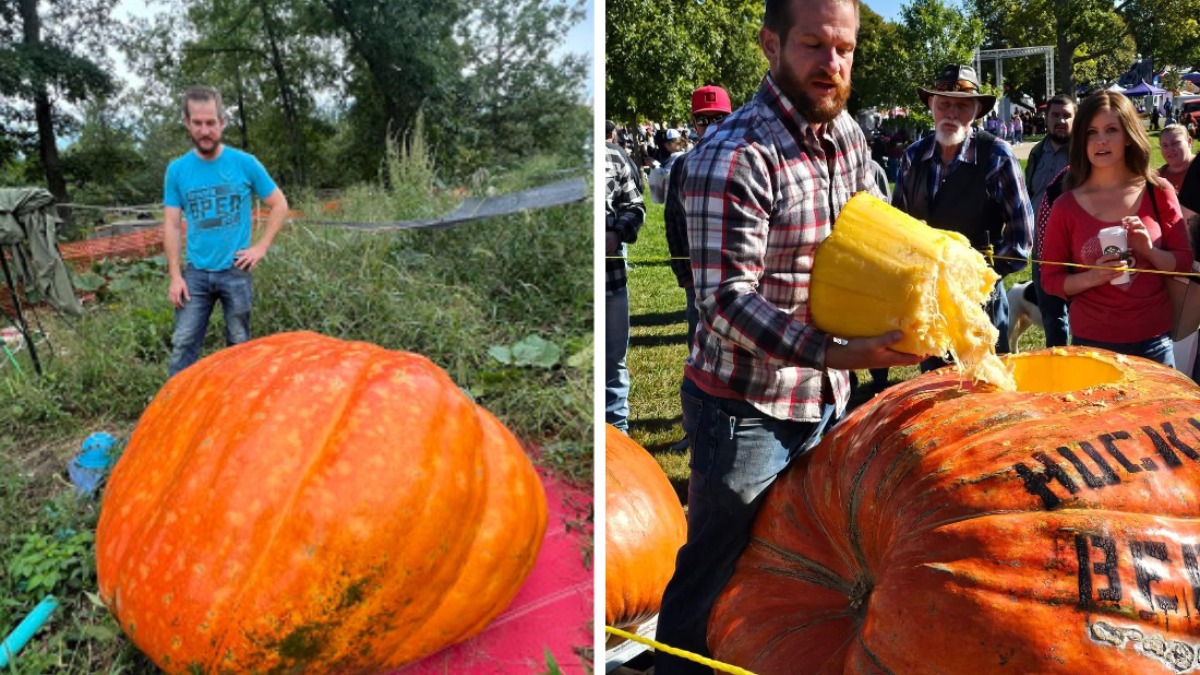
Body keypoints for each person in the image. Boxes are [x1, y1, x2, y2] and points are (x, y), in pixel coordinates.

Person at [654, 0, 924, 671]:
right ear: (770, 44)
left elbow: (876, 243)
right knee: (716, 567)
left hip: (828, 397)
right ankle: (677, 664)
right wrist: (841, 352)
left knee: (808, 558)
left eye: (845, 49)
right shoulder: (735, 155)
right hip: (745, 409)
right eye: (813, 45)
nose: (831, 65)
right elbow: (723, 302)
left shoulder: (851, 137)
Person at [893, 64, 1034, 369]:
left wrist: (981, 278)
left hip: (980, 303)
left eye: (962, 106)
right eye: (944, 103)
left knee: (986, 390)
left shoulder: (997, 155)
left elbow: (1022, 237)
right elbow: (897, 227)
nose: (951, 113)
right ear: (931, 107)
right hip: (928, 303)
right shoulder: (912, 157)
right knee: (934, 389)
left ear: (976, 112)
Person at [1040, 91, 1192, 365]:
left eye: (1111, 130)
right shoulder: (1065, 206)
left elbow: (1183, 262)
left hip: (1155, 342)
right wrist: (1094, 276)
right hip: (1092, 344)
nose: (1101, 140)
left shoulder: (1158, 191)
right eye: (1091, 131)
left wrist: (1148, 251)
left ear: (1128, 137)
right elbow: (1050, 279)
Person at [164, 86, 288, 378]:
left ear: (222, 122)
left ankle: (236, 408)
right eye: (197, 123)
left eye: (210, 122)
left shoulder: (244, 163)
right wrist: (175, 275)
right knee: (183, 344)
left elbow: (279, 204)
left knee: (239, 345)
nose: (204, 130)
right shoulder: (177, 170)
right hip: (195, 273)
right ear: (187, 122)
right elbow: (170, 224)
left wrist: (261, 247)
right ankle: (176, 407)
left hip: (235, 270)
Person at [661, 85, 732, 452]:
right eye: (704, 121)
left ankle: (735, 430)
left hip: (741, 280)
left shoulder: (744, 159)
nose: (711, 127)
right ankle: (697, 430)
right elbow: (673, 222)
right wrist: (684, 275)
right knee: (699, 354)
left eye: (719, 119)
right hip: (698, 282)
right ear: (693, 125)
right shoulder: (683, 166)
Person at [1025, 94, 1076, 347]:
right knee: (1051, 313)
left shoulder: (1082, 153)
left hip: (1075, 245)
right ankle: (1058, 362)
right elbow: (1029, 193)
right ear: (1045, 118)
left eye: (1067, 116)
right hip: (1041, 245)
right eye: (1055, 115)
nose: (1061, 121)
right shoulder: (1036, 152)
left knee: (1079, 314)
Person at [605, 126, 646, 433]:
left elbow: (635, 206)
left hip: (611, 282)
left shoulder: (612, 159)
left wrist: (615, 232)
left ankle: (618, 435)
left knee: (612, 364)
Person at [1158, 124, 1194, 191]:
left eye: (1175, 143)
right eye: (1165, 145)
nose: (1170, 149)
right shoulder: (1157, 177)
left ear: (1189, 141)